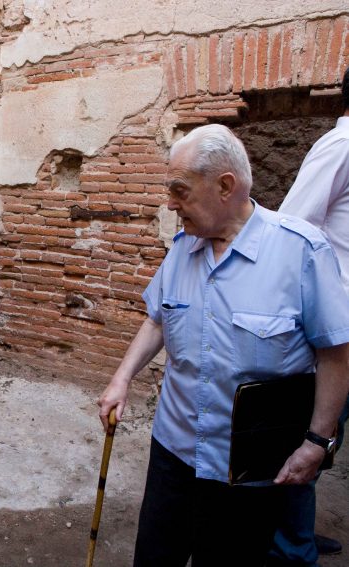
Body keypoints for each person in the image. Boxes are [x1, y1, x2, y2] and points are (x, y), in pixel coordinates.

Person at [96, 123, 349, 567]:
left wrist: (316, 442)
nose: (170, 204)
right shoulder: (183, 248)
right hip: (173, 452)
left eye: (180, 190)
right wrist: (121, 379)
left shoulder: (301, 252)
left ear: (225, 186)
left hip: (250, 472)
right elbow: (157, 319)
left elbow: (335, 354)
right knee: (155, 556)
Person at [268, 66, 349, 567]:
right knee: (310, 438)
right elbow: (293, 232)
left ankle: (296, 531)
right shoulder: (339, 148)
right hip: (333, 330)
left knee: (326, 439)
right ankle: (288, 547)